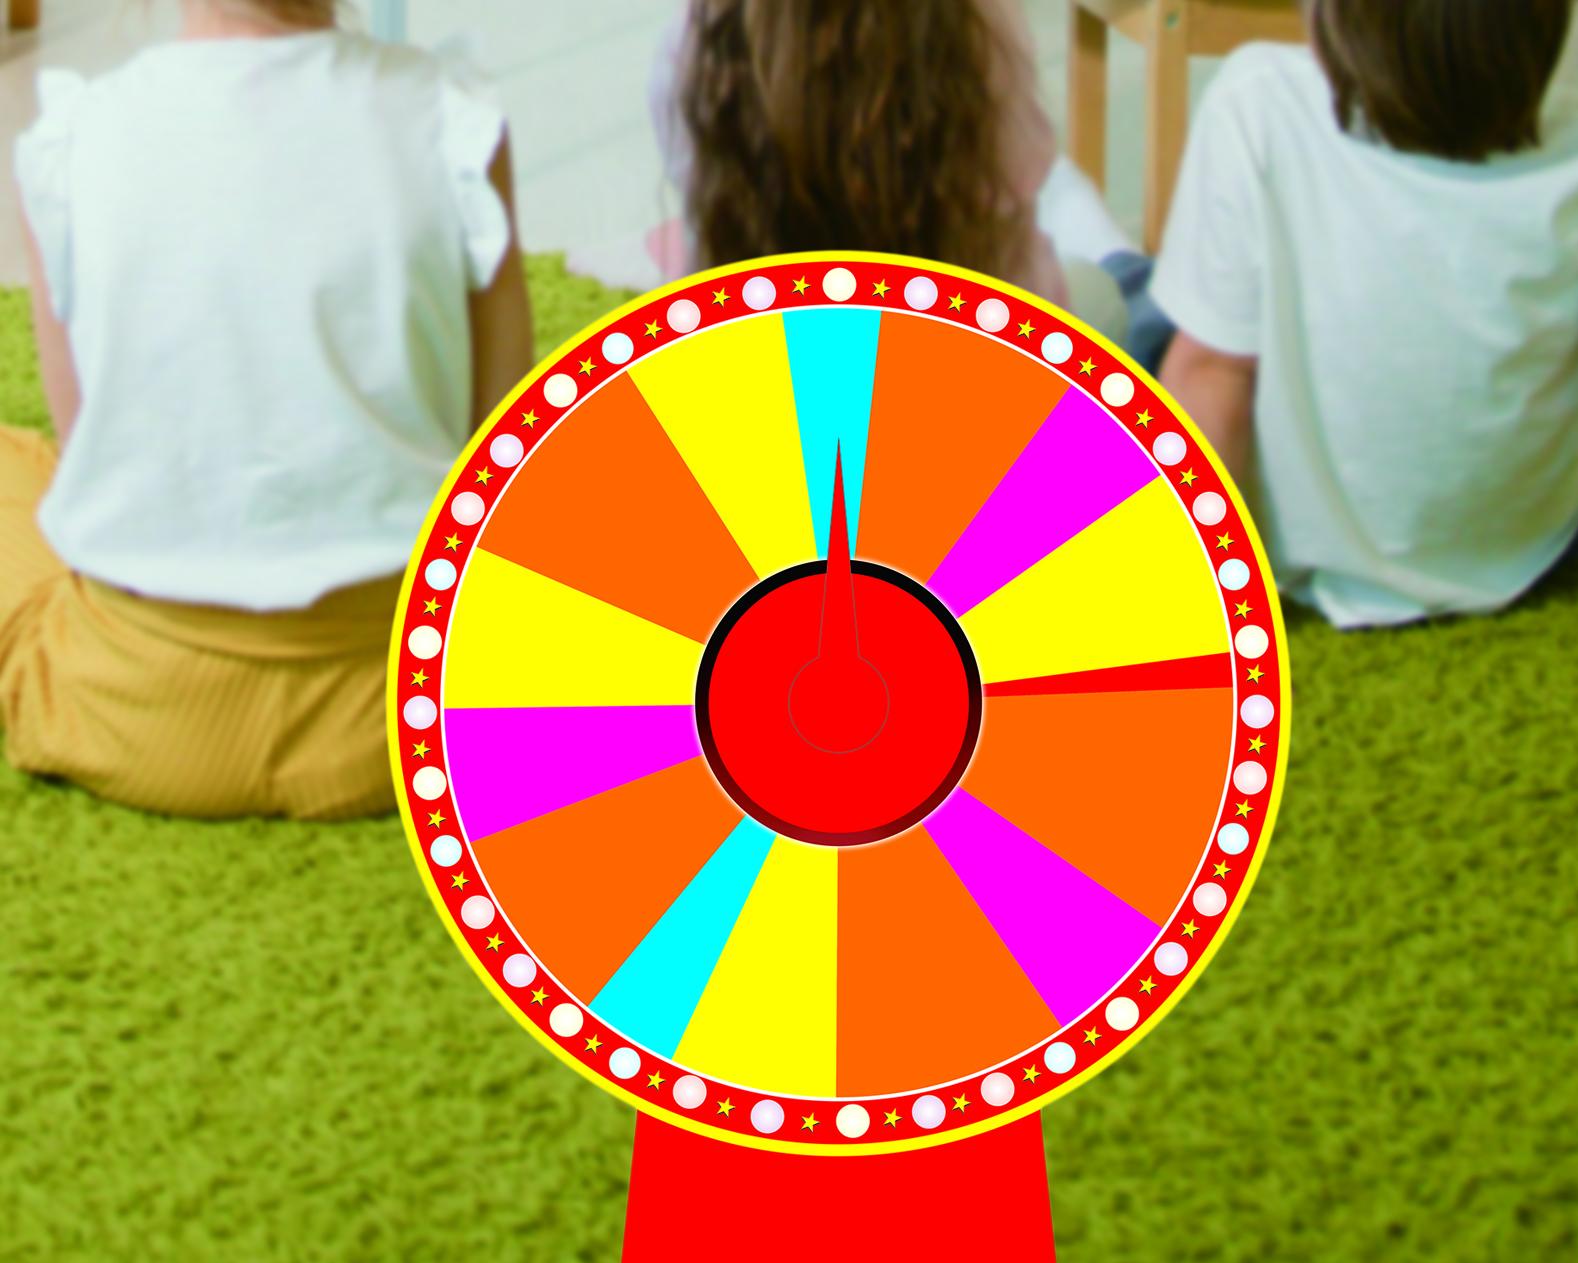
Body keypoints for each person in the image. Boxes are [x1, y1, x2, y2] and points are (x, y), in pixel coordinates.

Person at [0, 0, 533, 816]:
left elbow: (86, 465)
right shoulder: (455, 122)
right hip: (415, 708)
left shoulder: (70, 141)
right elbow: (501, 463)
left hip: (138, 710)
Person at [1153, 0, 1578, 627]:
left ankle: (1104, 249)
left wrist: (1195, 600)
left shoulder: (1258, 99)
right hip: (1528, 550)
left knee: (1151, 318)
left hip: (1295, 551)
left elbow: (1212, 370)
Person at [649, 0, 1170, 368]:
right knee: (1115, 295)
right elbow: (1029, 185)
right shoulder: (968, 28)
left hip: (796, 375)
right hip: (978, 366)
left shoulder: (695, 55)